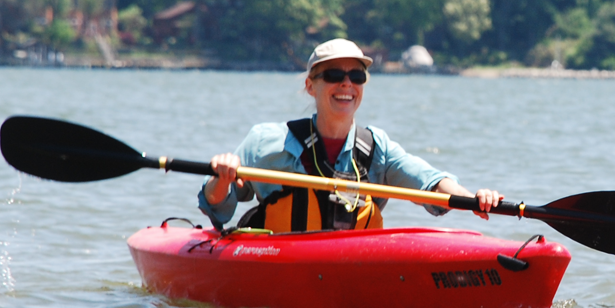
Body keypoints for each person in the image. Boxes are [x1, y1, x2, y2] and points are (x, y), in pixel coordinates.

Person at [200, 38, 502, 232]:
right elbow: (217, 208)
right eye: (333, 75)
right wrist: (221, 177)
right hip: (277, 266)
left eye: (356, 76)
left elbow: (430, 181)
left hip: (348, 269)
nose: (347, 84)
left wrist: (471, 197)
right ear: (310, 86)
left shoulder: (376, 148)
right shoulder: (266, 142)